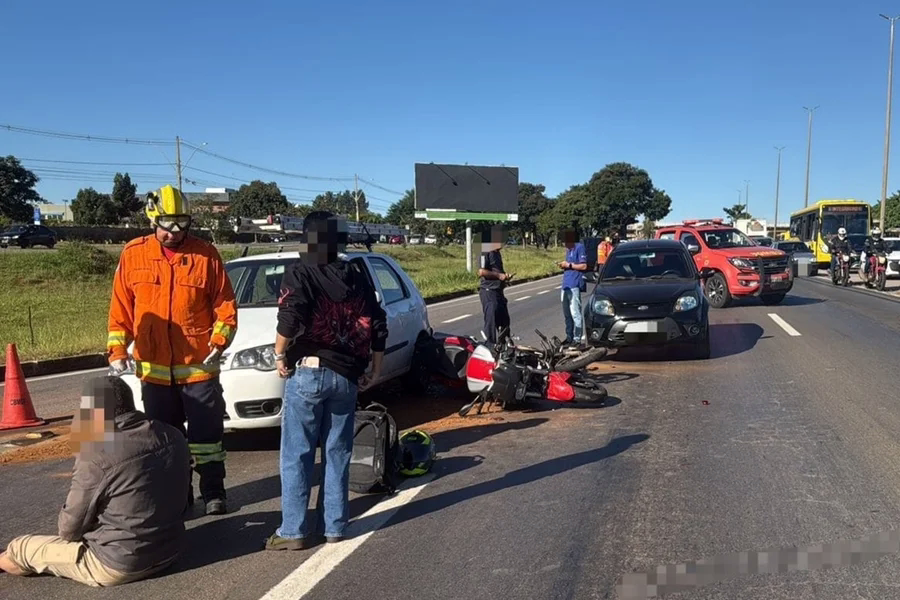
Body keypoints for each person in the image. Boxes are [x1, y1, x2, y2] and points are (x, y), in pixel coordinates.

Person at [107, 185, 238, 516]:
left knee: (207, 437)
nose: (175, 232)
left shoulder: (206, 255)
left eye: (182, 224)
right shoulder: (133, 254)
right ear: (153, 220)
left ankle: (213, 491)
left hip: (198, 368)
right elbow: (120, 309)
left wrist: (220, 341)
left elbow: (226, 307)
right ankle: (178, 496)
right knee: (166, 440)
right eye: (168, 225)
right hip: (154, 371)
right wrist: (118, 351)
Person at [266, 211, 388, 551]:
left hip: (307, 370)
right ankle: (334, 525)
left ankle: (294, 531)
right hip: (346, 376)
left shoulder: (300, 271)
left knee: (297, 453)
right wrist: (375, 369)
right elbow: (377, 323)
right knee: (337, 453)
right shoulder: (356, 274)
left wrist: (278, 355)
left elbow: (290, 317)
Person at [0, 377, 190, 587]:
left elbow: (69, 530)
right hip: (172, 550)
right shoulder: (174, 435)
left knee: (19, 548)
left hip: (118, 564)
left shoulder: (96, 454)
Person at [477, 225, 514, 345]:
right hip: (489, 291)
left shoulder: (497, 253)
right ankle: (490, 345)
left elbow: (497, 270)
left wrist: (505, 277)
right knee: (491, 320)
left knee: (504, 320)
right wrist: (499, 276)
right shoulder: (485, 251)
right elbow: (481, 271)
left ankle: (504, 345)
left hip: (498, 290)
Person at [558, 228, 589, 344]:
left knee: (575, 312)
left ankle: (577, 338)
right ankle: (569, 336)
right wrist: (564, 265)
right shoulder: (568, 250)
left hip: (574, 284)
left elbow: (584, 266)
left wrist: (569, 265)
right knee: (567, 314)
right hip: (565, 284)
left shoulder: (579, 247)